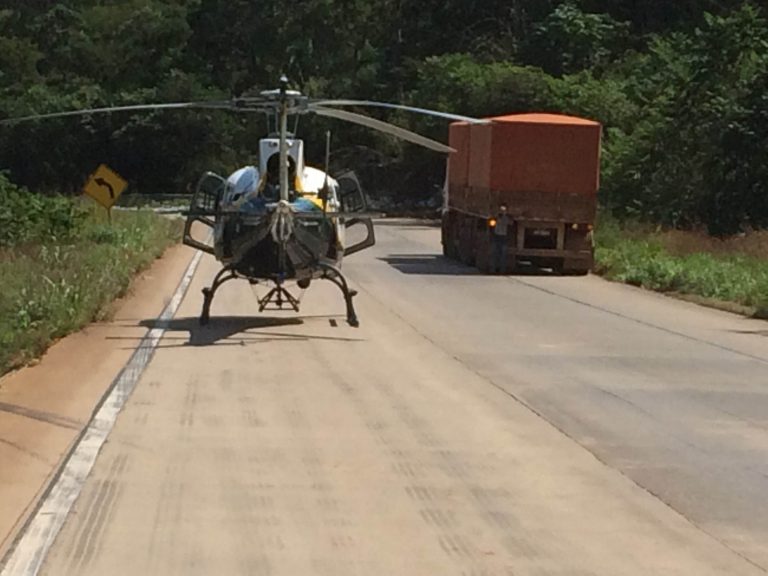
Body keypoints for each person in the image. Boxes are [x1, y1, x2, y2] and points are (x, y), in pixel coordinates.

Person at [491, 203, 510, 274]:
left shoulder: (506, 218)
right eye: (501, 210)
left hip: (503, 236)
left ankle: (502, 269)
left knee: (503, 254)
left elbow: (510, 222)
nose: (502, 212)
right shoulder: (496, 217)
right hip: (497, 236)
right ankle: (493, 269)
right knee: (495, 253)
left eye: (504, 210)